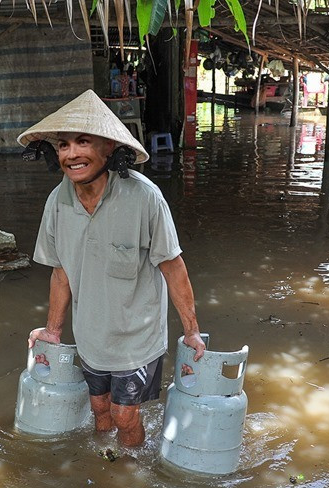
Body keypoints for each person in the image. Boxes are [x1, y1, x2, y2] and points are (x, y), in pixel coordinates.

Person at [18, 89, 206, 447]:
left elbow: (172, 265)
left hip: (137, 338)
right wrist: (54, 330)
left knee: (123, 415)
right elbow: (61, 272)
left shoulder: (144, 197)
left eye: (83, 142)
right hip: (91, 338)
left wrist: (192, 331)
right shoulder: (57, 201)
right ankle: (107, 463)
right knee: (100, 411)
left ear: (108, 148)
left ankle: (131, 473)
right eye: (63, 145)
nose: (71, 154)